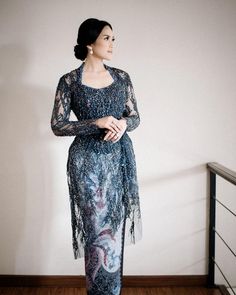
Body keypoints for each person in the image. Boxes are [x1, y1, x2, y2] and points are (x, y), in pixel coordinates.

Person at [50, 18, 142, 295]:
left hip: (119, 161)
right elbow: (58, 125)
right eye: (106, 38)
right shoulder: (69, 82)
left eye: (113, 38)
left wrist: (124, 123)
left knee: (114, 226)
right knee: (95, 230)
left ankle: (112, 291)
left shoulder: (122, 77)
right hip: (86, 163)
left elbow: (135, 117)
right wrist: (97, 122)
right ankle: (97, 291)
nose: (112, 44)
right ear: (90, 44)